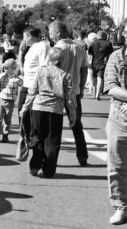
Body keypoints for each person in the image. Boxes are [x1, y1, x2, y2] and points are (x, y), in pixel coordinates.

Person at [21, 47, 76, 178]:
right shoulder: (65, 75)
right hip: (55, 110)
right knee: (52, 141)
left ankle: (34, 166)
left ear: (49, 58)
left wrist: (25, 107)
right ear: (61, 60)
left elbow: (32, 90)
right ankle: (49, 170)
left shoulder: (40, 71)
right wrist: (72, 115)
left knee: (37, 137)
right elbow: (70, 98)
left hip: (38, 108)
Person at [48, 20, 89, 166]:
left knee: (54, 128)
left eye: (51, 33)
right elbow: (84, 70)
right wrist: (82, 88)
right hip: (75, 92)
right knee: (77, 125)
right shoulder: (79, 48)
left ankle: (51, 160)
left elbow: (50, 72)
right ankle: (82, 156)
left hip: (57, 93)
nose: (50, 36)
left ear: (58, 33)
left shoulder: (56, 49)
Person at [103, 19, 127, 225]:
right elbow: (111, 87)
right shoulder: (116, 56)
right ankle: (121, 206)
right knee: (117, 166)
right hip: (120, 118)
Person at [19, 26, 50, 145]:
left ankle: (33, 138)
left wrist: (38, 87)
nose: (23, 40)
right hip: (26, 83)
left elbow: (44, 67)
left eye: (24, 37)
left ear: (29, 36)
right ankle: (27, 137)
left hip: (34, 86)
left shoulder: (43, 46)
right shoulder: (31, 47)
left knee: (31, 115)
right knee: (22, 112)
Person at [0, 58, 22, 143]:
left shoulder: (17, 79)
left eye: (7, 68)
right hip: (1, 99)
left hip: (10, 101)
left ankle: (5, 135)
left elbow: (24, 85)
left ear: (13, 68)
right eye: (5, 68)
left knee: (8, 119)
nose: (5, 69)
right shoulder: (1, 76)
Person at [89, 30, 114, 100]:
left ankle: (94, 94)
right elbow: (111, 53)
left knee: (94, 79)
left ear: (98, 36)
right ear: (104, 36)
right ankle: (97, 95)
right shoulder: (108, 43)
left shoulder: (93, 43)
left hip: (94, 63)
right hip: (103, 63)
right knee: (100, 79)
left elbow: (90, 53)